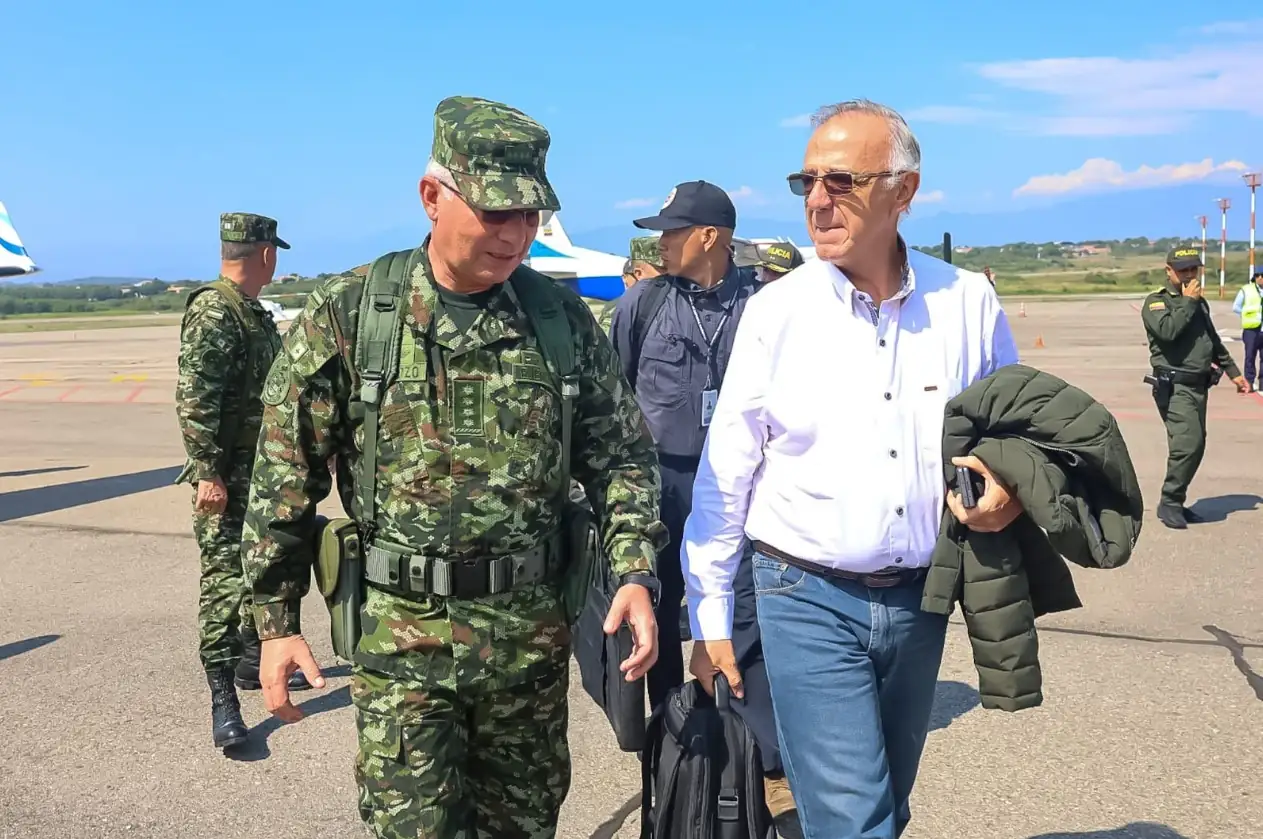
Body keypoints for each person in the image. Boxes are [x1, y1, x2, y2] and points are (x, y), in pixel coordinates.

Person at [240, 95, 666, 839]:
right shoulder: (352, 313)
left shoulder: (558, 320)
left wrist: (632, 569)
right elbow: (284, 474)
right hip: (402, 647)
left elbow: (620, 454)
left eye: (530, 214)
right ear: (432, 196)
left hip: (527, 649)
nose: (516, 234)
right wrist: (275, 621)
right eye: (496, 212)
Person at [682, 99, 1020, 839]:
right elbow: (724, 471)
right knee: (852, 818)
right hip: (802, 591)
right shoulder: (777, 311)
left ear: (903, 191)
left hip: (920, 598)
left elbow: (1009, 432)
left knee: (886, 805)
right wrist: (707, 614)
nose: (815, 199)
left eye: (840, 180)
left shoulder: (966, 302)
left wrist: (1006, 488)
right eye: (805, 180)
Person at [608, 180, 799, 827]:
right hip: (662, 482)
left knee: (742, 607)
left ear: (709, 236)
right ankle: (669, 727)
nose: (658, 243)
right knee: (655, 609)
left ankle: (754, 744)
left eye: (670, 231)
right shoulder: (642, 303)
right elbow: (615, 394)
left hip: (742, 485)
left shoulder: (766, 304)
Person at [174, 211, 308, 751]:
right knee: (224, 583)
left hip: (263, 474)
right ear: (267, 254)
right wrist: (207, 471)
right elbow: (194, 398)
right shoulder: (215, 310)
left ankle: (255, 663)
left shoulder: (250, 312)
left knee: (265, 567)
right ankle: (222, 698)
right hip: (228, 479)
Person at [1142, 246, 1249, 530]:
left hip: (1198, 386)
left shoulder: (1199, 304)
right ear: (1169, 272)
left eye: (1193, 270)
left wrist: (1234, 373)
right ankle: (1170, 503)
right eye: (1183, 270)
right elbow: (1168, 332)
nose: (1190, 275)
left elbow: (1212, 340)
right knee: (1187, 446)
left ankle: (1176, 500)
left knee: (1196, 445)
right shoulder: (1157, 303)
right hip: (1175, 388)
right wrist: (1188, 302)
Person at [1231, 269, 1263, 389]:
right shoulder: (1246, 290)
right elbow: (1236, 307)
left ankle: (1262, 384)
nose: (1261, 278)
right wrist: (1248, 316)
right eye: (1259, 276)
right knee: (1250, 356)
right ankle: (1249, 381)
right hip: (1251, 329)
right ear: (1256, 277)